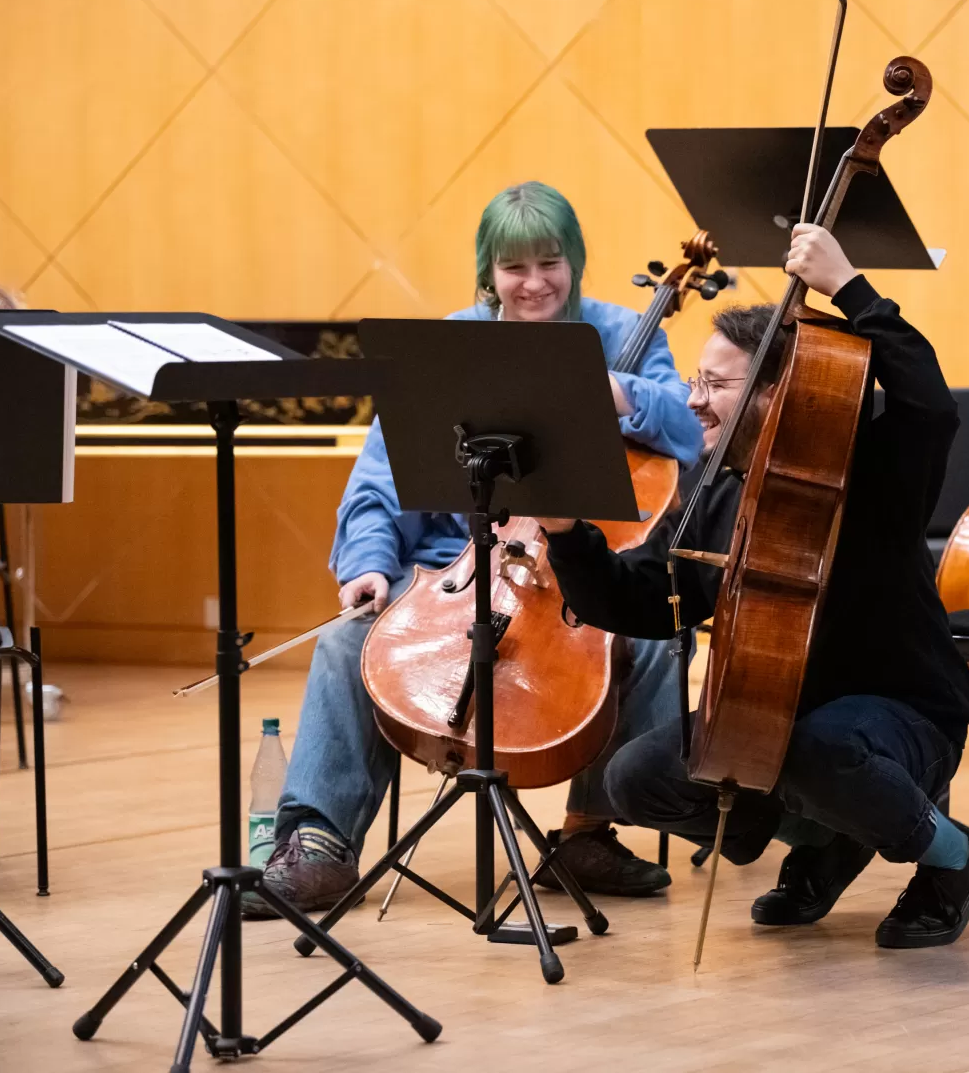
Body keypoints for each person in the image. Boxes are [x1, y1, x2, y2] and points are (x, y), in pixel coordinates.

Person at [245, 182, 702, 918]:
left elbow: (691, 432)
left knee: (650, 642)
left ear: (575, 262)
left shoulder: (621, 333)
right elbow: (377, 478)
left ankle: (591, 832)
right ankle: (320, 845)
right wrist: (365, 562)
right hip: (451, 569)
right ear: (487, 272)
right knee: (346, 642)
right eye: (514, 267)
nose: (534, 283)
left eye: (550, 263)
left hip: (578, 572)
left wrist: (618, 393)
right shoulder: (449, 343)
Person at [539, 223, 969, 949]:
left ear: (777, 390)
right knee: (635, 777)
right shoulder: (715, 492)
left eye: (715, 384)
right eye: (694, 380)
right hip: (772, 724)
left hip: (905, 718)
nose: (691, 402)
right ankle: (833, 838)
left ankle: (951, 860)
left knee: (819, 749)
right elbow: (642, 599)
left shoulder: (869, 474)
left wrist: (848, 286)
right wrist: (568, 536)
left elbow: (932, 407)